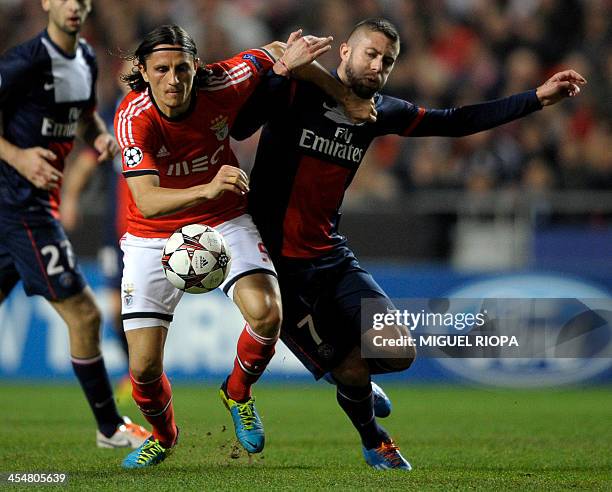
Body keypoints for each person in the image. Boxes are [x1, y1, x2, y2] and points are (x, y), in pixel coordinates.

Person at [231, 17, 587, 470]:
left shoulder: (381, 112)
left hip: (331, 255)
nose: (377, 66)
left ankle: (354, 386)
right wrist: (281, 71)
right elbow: (243, 126)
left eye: (387, 61)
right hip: (277, 267)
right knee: (352, 369)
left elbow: (455, 122)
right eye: (371, 54)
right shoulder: (299, 89)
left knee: (396, 351)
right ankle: (373, 438)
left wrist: (536, 98)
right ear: (344, 51)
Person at [114, 24, 372, 469]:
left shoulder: (223, 79)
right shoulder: (133, 118)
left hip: (224, 219)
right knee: (142, 370)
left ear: (197, 65)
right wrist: (209, 187)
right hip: (151, 235)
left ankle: (237, 393)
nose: (173, 80)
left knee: (268, 313)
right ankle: (164, 434)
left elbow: (279, 51)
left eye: (181, 68)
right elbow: (147, 200)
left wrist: (343, 95)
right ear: (143, 70)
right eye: (161, 69)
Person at [0, 0, 149, 449]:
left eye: (82, 0)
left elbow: (82, 117)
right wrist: (19, 156)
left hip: (22, 206)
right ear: (46, 2)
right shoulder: (25, 61)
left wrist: (99, 135)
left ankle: (109, 427)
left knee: (83, 314)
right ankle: (110, 427)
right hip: (21, 205)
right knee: (84, 312)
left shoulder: (84, 59)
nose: (73, 7)